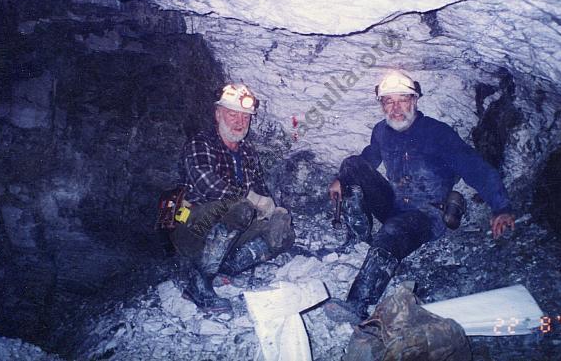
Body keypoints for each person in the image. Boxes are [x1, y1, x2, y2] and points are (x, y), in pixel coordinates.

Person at [328, 70, 515, 318]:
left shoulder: (437, 133)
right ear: (382, 105)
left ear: (414, 100)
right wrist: (341, 179)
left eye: (402, 100)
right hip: (394, 204)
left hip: (427, 214)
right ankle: (360, 236)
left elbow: (475, 167)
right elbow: (369, 157)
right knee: (351, 164)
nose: (395, 108)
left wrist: (501, 207)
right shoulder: (382, 131)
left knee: (392, 232)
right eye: (388, 101)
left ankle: (357, 305)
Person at [169, 83, 295, 313]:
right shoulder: (201, 143)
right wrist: (253, 200)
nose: (239, 121)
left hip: (228, 232)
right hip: (192, 228)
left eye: (245, 117)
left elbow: (261, 190)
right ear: (218, 114)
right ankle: (198, 283)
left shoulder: (248, 153)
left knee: (282, 234)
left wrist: (276, 212)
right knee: (240, 208)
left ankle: (225, 268)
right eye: (232, 114)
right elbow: (208, 185)